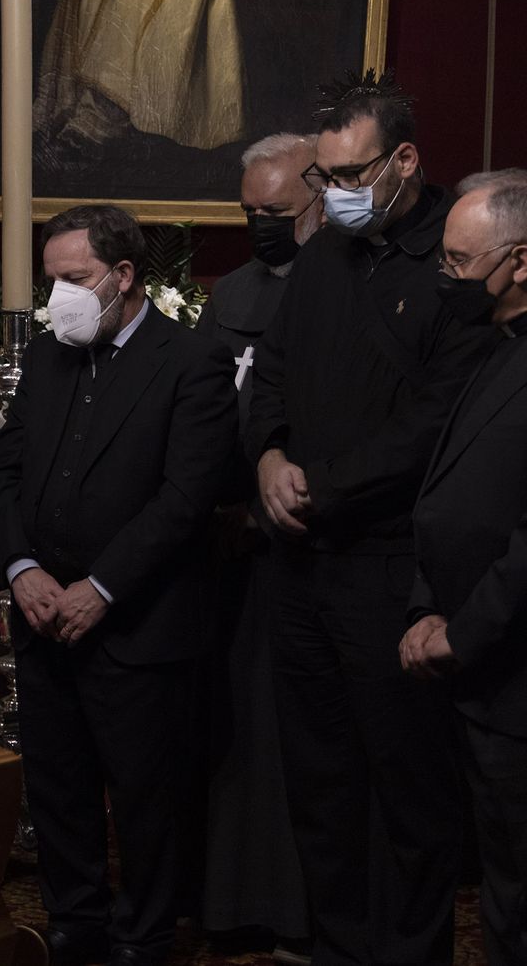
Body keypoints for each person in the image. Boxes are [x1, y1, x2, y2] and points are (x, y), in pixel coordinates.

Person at [245, 73, 495, 966]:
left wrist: (321, 483)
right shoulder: (320, 259)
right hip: (300, 567)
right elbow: (267, 374)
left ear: (405, 160)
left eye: (351, 175)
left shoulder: (456, 262)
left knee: (409, 793)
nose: (336, 194)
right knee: (319, 782)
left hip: (391, 568)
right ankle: (341, 949)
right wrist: (270, 457)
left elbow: (439, 420)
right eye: (325, 177)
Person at [0, 204, 235, 966]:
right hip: (42, 608)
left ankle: (146, 932)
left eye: (74, 278)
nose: (58, 296)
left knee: (145, 792)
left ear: (124, 276)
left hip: (137, 621)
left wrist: (102, 585)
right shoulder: (56, 355)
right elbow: (4, 467)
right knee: (58, 780)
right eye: (50, 278)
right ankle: (76, 917)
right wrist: (22, 567)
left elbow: (186, 498)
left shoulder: (192, 360)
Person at [400, 168, 527, 966]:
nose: (445, 279)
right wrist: (424, 606)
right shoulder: (499, 344)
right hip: (474, 672)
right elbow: (443, 490)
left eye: (458, 263)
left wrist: (463, 631)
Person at [194, 133, 316, 953]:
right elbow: (204, 404)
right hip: (225, 543)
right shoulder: (233, 289)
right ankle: (227, 901)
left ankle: (298, 911)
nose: (260, 225)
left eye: (274, 212)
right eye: (248, 212)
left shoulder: (344, 286)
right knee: (229, 732)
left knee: (294, 740)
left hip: (305, 543)